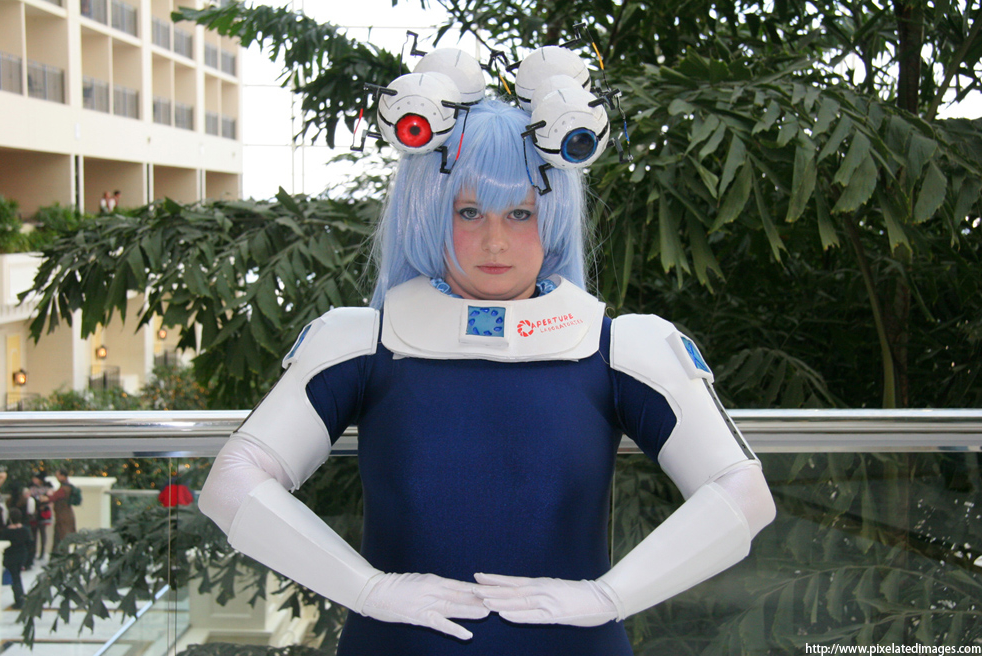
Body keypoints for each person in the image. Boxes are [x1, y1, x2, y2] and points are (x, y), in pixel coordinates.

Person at [199, 46, 775, 655]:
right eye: (470, 211)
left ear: (552, 214)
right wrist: (370, 590)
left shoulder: (618, 347)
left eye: (521, 212)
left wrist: (608, 597)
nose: (495, 241)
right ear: (429, 212)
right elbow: (233, 483)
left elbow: (742, 492)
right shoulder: (362, 342)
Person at [1, 508, 32, 609]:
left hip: (10, 557)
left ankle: (19, 600)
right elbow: (29, 543)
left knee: (15, 578)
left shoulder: (6, 532)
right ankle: (21, 598)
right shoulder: (25, 530)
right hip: (22, 555)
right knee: (17, 577)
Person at [47, 469, 77, 550]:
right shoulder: (65, 487)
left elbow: (54, 497)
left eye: (58, 476)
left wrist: (46, 497)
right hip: (62, 518)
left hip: (63, 518)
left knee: (62, 540)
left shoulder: (64, 489)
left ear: (63, 476)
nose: (57, 478)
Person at [29, 474, 52, 561]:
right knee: (34, 534)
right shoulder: (31, 488)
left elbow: (49, 498)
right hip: (35, 513)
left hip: (43, 513)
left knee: (42, 532)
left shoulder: (46, 488)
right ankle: (33, 552)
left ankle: (42, 552)